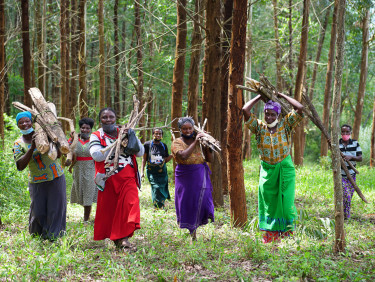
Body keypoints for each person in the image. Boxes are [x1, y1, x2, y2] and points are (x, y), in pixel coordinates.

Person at [242, 93, 304, 243]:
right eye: (266, 114)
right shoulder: (259, 127)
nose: (269, 117)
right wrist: (259, 96)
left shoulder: (285, 125)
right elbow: (245, 110)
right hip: (267, 172)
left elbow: (300, 108)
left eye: (272, 114)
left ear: (278, 115)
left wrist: (282, 96)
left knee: (286, 202)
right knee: (269, 203)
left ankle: (287, 233)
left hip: (285, 169)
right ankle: (270, 234)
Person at [89, 108, 144, 249]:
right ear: (100, 120)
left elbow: (140, 152)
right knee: (111, 209)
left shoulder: (125, 132)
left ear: (116, 118)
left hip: (128, 177)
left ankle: (124, 237)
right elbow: (97, 155)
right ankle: (118, 240)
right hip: (108, 178)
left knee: (130, 204)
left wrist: (131, 137)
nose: (108, 120)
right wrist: (117, 145)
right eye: (104, 117)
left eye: (111, 117)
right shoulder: (96, 135)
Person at [13, 111, 66, 240]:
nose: (25, 124)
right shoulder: (18, 143)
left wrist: (56, 133)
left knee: (56, 208)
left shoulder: (45, 135)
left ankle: (55, 236)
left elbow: (58, 155)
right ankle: (38, 236)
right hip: (36, 181)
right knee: (38, 210)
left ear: (32, 122)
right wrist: (32, 148)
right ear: (18, 125)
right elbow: (20, 166)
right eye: (21, 122)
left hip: (55, 177)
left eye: (27, 121)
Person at [171, 117, 214, 241]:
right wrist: (196, 141)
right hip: (185, 177)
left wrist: (207, 144)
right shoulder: (177, 142)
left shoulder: (201, 142)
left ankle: (199, 224)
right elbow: (183, 156)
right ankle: (192, 232)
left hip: (200, 174)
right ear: (180, 130)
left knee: (203, 200)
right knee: (187, 202)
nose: (188, 130)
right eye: (184, 129)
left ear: (193, 128)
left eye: (190, 128)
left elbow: (209, 159)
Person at [68, 118, 97, 222]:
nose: (85, 130)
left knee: (89, 192)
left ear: (91, 129)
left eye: (87, 128)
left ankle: (86, 219)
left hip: (90, 168)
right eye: (83, 128)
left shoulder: (94, 140)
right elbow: (67, 151)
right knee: (80, 191)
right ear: (79, 128)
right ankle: (85, 215)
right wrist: (71, 139)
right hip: (78, 169)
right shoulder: (74, 139)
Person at [141, 128, 172, 209]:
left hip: (162, 170)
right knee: (156, 187)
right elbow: (144, 159)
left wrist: (172, 155)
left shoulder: (163, 146)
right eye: (156, 133)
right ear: (152, 135)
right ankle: (157, 205)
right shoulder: (147, 144)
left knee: (162, 187)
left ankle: (161, 204)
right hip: (151, 170)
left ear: (162, 136)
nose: (158, 135)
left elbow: (165, 160)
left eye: (160, 134)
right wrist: (142, 172)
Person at [339, 124, 362, 220]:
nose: (345, 134)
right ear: (340, 133)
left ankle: (344, 213)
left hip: (352, 175)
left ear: (350, 133)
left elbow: (360, 158)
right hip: (340, 175)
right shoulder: (337, 143)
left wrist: (351, 157)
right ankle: (346, 216)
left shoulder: (355, 143)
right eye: (343, 132)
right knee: (346, 195)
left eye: (347, 132)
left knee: (349, 197)